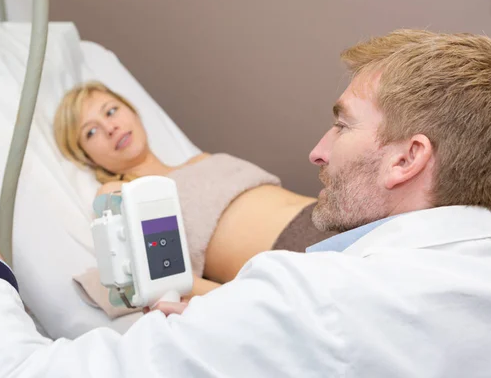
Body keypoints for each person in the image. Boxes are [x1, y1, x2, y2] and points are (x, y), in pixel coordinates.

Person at [0, 29, 491, 377]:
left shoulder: (308, 300)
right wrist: (220, 322)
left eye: (342, 126)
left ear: (407, 159)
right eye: (90, 131)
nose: (317, 150)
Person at [53, 81, 336, 295]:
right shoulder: (119, 194)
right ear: (85, 157)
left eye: (111, 111)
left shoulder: (203, 160)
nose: (110, 127)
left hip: (337, 222)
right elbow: (158, 277)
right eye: (91, 131)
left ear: (133, 111)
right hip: (292, 265)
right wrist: (248, 299)